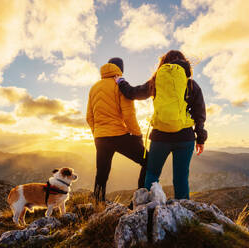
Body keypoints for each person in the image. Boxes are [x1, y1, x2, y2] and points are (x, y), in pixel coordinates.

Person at [115, 50, 207, 199]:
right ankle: (183, 215)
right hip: (185, 137)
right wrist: (200, 138)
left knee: (152, 173)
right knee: (181, 178)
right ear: (184, 64)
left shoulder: (156, 81)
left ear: (163, 64)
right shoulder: (191, 84)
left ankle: (148, 210)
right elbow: (199, 113)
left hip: (160, 136)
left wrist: (121, 82)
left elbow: (132, 93)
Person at [86, 57, 147, 202]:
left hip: (100, 137)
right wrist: (137, 134)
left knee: (102, 172)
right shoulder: (120, 85)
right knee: (149, 162)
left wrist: (98, 133)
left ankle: (97, 203)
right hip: (119, 135)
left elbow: (89, 116)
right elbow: (128, 115)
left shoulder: (94, 87)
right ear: (120, 69)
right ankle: (140, 199)